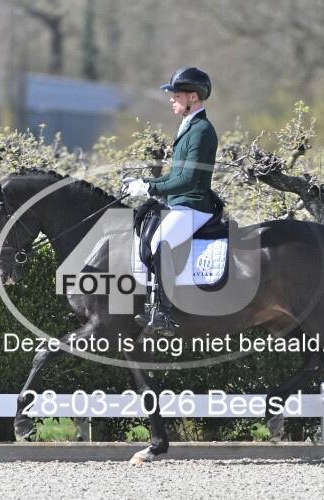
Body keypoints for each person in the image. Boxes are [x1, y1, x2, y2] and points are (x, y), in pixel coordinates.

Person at [124, 67, 219, 336]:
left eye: (176, 95)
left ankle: (164, 313)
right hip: (180, 202)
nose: (171, 99)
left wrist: (149, 187)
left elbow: (187, 180)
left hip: (193, 204)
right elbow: (175, 176)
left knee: (161, 241)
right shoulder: (188, 127)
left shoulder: (201, 131)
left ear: (193, 97)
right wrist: (143, 183)